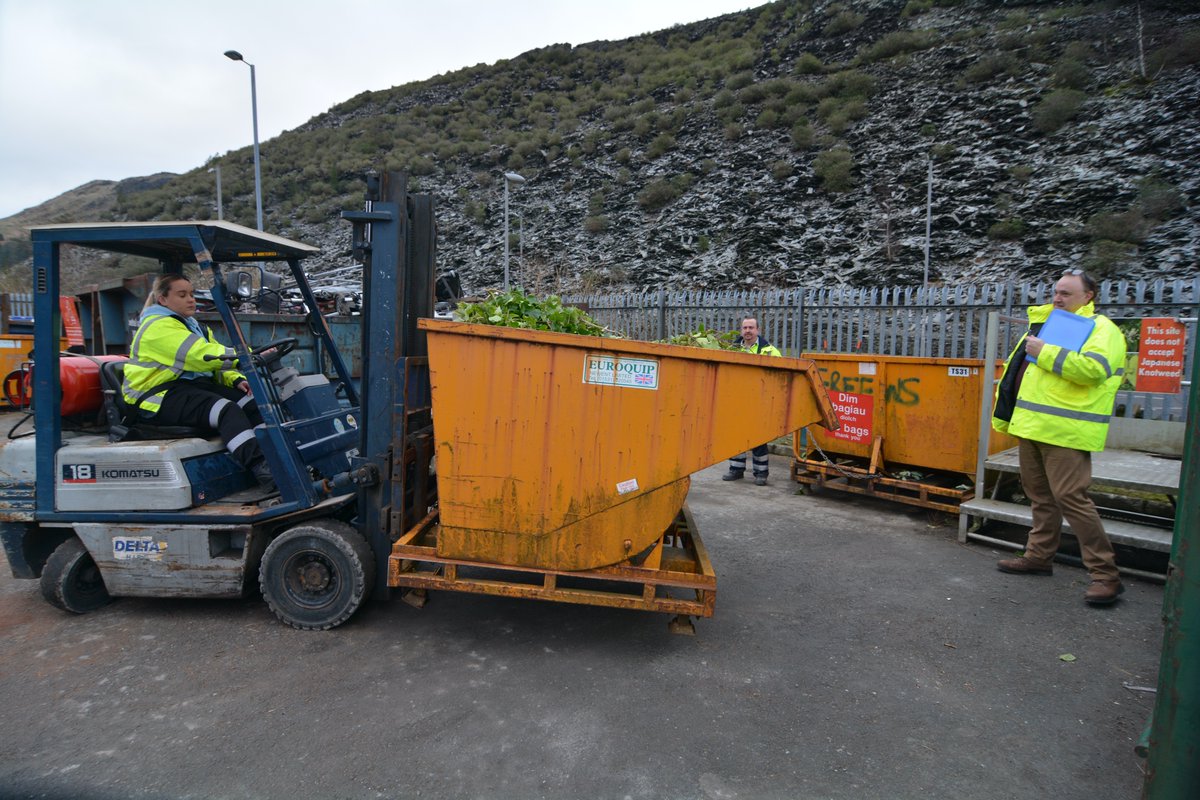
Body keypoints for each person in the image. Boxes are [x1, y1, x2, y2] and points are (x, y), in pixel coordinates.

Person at [991, 269, 1127, 605]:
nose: (1057, 298)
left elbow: (1094, 370)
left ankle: (1106, 575)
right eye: (1056, 292)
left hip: (1067, 432)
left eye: (1066, 293)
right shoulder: (1048, 326)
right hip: (1032, 427)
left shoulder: (1101, 329)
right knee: (1040, 497)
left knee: (1073, 500)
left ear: (1088, 296)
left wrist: (1046, 351)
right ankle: (1038, 557)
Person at [122, 273, 275, 491]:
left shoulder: (194, 326)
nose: (191, 299)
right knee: (226, 410)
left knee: (253, 403)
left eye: (192, 294)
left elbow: (214, 364)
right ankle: (263, 469)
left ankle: (275, 456)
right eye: (182, 295)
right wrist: (249, 356)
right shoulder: (158, 328)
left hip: (186, 389)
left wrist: (236, 380)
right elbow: (201, 355)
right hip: (156, 397)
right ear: (162, 299)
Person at [722, 316, 783, 486]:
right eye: (745, 328)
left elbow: (781, 376)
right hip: (737, 401)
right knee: (736, 436)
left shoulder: (769, 351)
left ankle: (761, 473)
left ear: (758, 330)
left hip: (759, 402)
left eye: (751, 328)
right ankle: (736, 469)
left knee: (758, 438)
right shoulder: (730, 349)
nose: (747, 331)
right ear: (741, 330)